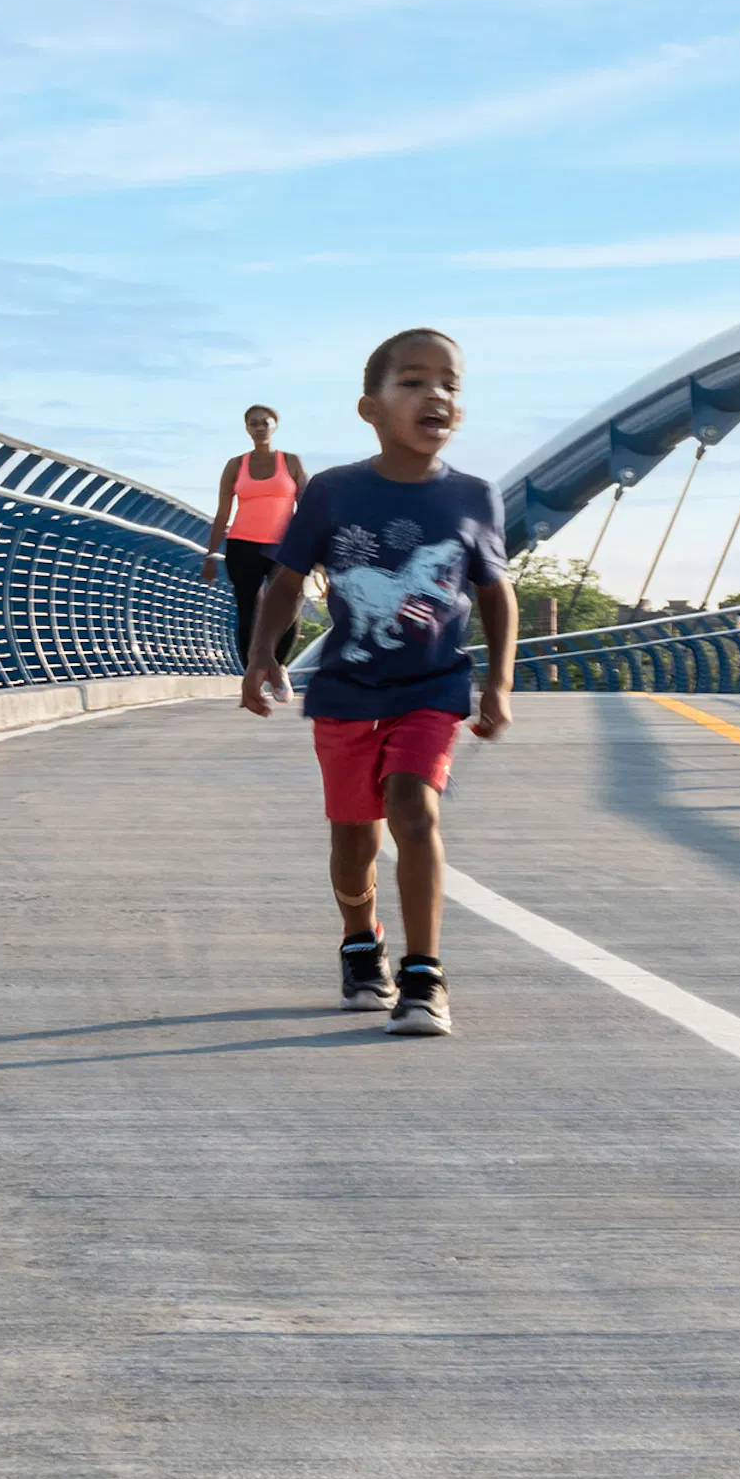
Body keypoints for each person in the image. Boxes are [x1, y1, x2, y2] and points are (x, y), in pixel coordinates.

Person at [239, 329, 514, 1036]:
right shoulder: (333, 492)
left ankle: (425, 975)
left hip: (432, 687)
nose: (437, 396)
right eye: (415, 382)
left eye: (450, 384)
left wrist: (498, 684)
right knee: (352, 838)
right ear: (371, 407)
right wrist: (262, 656)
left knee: (413, 809)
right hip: (346, 692)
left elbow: (496, 594)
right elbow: (286, 579)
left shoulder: (476, 498)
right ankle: (361, 942)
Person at [201, 405, 304, 667]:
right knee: (249, 611)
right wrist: (211, 554)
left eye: (264, 423)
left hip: (285, 547)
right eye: (253, 424)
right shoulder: (236, 465)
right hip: (242, 545)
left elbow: (307, 507)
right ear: (247, 429)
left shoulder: (290, 461)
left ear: (275, 426)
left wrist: (314, 547)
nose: (259, 428)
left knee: (288, 606)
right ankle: (252, 674)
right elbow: (223, 512)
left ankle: (278, 668)